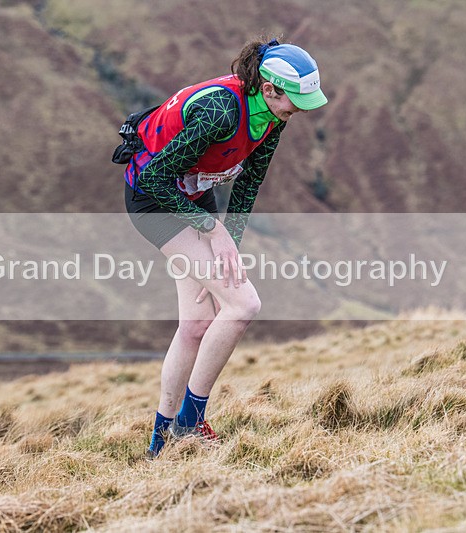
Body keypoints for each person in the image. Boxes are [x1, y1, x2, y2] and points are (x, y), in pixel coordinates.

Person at [121, 36, 328, 458]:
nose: (298, 114)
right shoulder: (221, 111)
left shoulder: (271, 115)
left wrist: (226, 245)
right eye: (293, 103)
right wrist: (213, 232)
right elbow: (154, 180)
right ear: (269, 89)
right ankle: (189, 424)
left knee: (197, 323)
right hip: (153, 201)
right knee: (243, 306)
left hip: (196, 192)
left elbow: (249, 183)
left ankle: (159, 445)